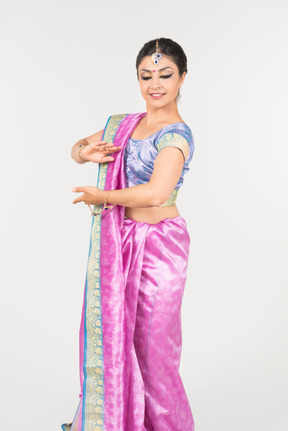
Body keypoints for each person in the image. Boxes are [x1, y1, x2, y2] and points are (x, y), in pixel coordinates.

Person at [62, 37, 196, 431]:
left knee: (155, 353)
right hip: (119, 242)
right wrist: (83, 153)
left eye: (165, 74)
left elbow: (156, 192)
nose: (155, 84)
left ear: (183, 78)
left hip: (161, 248)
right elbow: (75, 147)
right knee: (116, 338)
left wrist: (102, 195)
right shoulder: (123, 124)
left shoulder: (178, 135)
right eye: (146, 75)